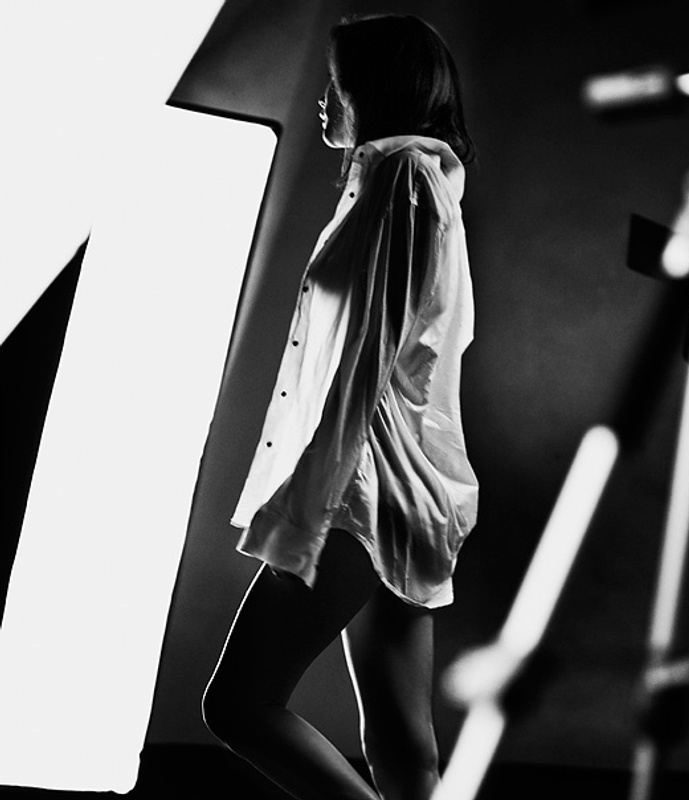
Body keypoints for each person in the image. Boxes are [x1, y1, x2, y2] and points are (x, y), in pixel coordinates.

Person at [202, 13, 479, 800]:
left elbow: (368, 359)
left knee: (240, 705)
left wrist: (311, 507)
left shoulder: (403, 177)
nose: (325, 100)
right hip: (404, 488)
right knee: (400, 746)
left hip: (364, 487)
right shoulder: (411, 178)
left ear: (377, 89)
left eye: (338, 84)